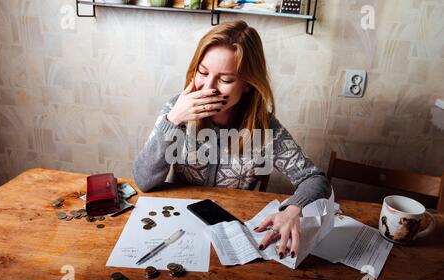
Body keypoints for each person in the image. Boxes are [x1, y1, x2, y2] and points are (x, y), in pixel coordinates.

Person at [133, 20, 331, 259]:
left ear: (248, 83)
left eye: (225, 80)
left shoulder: (265, 128)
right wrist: (172, 120)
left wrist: (293, 209)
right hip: (178, 225)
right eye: (203, 73)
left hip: (233, 233)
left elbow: (314, 178)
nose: (208, 87)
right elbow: (143, 180)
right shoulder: (177, 109)